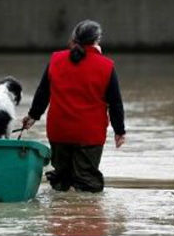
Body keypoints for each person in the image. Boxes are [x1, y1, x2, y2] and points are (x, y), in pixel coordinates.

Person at [21, 19, 126, 192]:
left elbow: (43, 93)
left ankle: (61, 214)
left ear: (74, 38)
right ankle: (82, 215)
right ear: (97, 40)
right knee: (87, 183)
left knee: (61, 181)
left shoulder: (56, 59)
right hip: (89, 134)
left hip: (59, 131)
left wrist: (33, 116)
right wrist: (119, 131)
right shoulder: (106, 66)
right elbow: (115, 103)